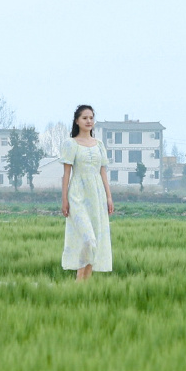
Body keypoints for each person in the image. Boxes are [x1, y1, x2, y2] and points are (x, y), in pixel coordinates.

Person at [59, 104, 113, 280]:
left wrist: (109, 197)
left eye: (91, 118)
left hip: (97, 195)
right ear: (77, 121)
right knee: (87, 239)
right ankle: (79, 280)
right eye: (85, 118)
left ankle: (83, 285)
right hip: (77, 195)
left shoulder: (99, 145)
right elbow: (66, 174)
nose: (89, 121)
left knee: (94, 241)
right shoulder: (71, 144)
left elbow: (103, 172)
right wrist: (64, 200)